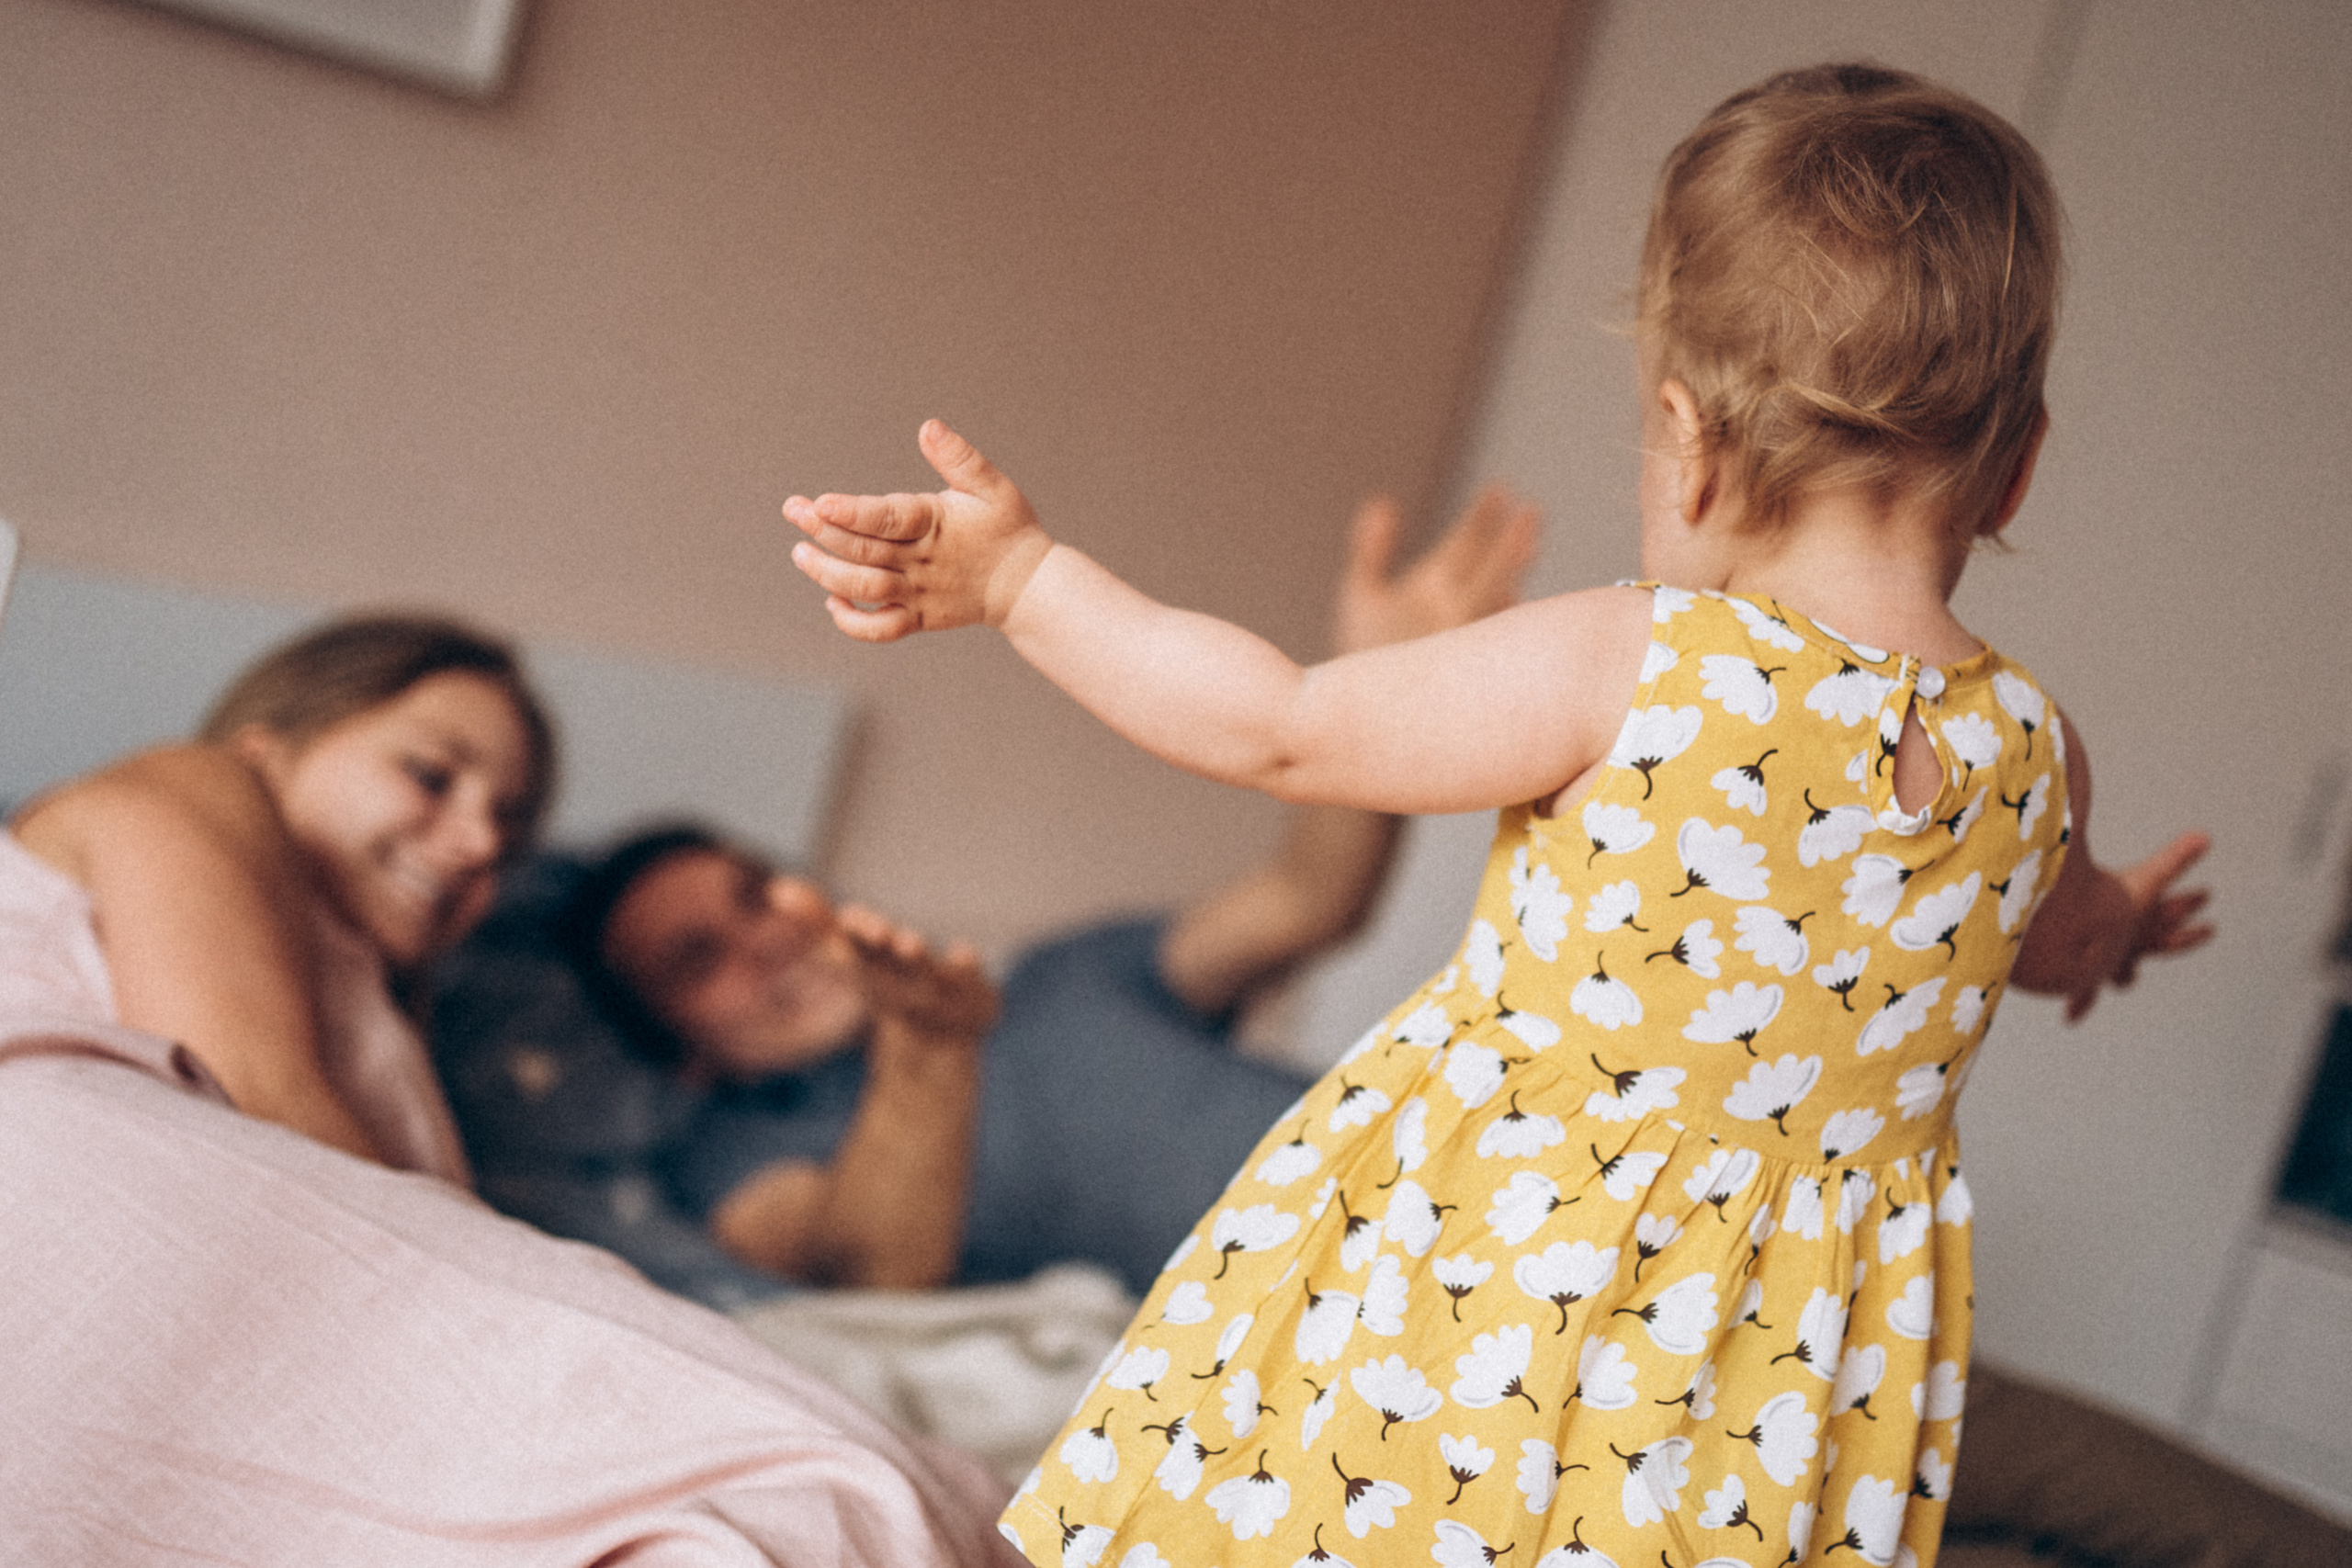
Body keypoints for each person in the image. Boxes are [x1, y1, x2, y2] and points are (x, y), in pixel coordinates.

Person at [782, 64, 2215, 1568]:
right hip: (1764, 1399)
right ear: (2021, 461)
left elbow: (1277, 725)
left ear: (1690, 438)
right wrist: (2122, 931)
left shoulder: (1646, 657)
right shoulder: (2035, 755)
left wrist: (1024, 584)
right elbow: (2057, 938)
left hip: (1488, 1307)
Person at [0, 615, 1017, 1563]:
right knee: (847, 1504)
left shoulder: (391, 1038)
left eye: (510, 828)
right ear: (273, 746)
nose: (479, 842)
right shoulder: (196, 787)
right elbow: (276, 1124)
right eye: (431, 775)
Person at [432, 485, 1538, 1303]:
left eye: (755, 895)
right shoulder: (733, 1160)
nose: (761, 943)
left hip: (1499, 1172)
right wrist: (927, 1052)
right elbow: (864, 1271)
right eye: (697, 958)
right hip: (1382, 1320)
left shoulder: (1061, 980)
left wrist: (1373, 694)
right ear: (680, 1049)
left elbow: (1309, 900)